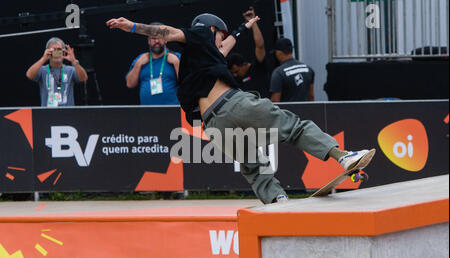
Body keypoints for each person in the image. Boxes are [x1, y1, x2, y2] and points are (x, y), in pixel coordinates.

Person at [106, 14, 372, 204]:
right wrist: (132, 27)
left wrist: (242, 28)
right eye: (218, 35)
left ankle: (277, 199)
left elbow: (226, 44)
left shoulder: (198, 57)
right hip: (234, 104)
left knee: (253, 166)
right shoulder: (199, 34)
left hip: (214, 126)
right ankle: (342, 156)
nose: (222, 42)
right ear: (210, 30)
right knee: (292, 127)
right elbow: (167, 32)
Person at [126, 22, 181, 105]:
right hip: (147, 113)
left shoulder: (176, 57)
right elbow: (130, 84)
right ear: (148, 40)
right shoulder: (141, 59)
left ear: (166, 39)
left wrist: (177, 63)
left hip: (173, 111)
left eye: (159, 37)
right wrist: (138, 64)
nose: (157, 41)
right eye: (153, 38)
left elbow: (188, 84)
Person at [26, 37, 88, 107]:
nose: (56, 53)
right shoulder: (42, 70)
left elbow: (84, 78)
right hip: (47, 113)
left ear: (64, 52)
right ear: (48, 52)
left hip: (68, 113)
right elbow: (29, 75)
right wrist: (43, 59)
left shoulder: (70, 70)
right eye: (53, 50)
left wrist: (74, 61)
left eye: (59, 50)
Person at [227, 7, 272, 98]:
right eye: (233, 73)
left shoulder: (258, 67)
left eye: (236, 71)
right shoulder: (235, 80)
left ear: (244, 64)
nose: (235, 75)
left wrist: (253, 22)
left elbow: (260, 46)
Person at [270, 38, 315, 102]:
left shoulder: (278, 73)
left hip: (287, 111)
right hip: (305, 111)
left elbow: (275, 101)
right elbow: (311, 97)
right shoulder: (308, 69)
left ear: (279, 52)